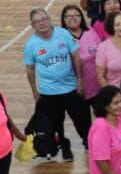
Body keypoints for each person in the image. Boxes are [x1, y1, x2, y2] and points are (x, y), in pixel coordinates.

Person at [24, 8, 87, 161]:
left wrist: (80, 80)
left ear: (49, 19)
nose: (42, 23)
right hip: (49, 92)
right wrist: (34, 91)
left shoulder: (63, 34)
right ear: (33, 25)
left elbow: (76, 57)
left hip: (72, 88)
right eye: (37, 21)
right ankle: (65, 146)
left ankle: (88, 143)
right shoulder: (30, 44)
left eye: (44, 19)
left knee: (82, 119)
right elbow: (30, 68)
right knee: (57, 124)